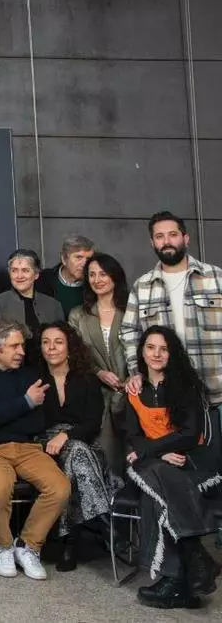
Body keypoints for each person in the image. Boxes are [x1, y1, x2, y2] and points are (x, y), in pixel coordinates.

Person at [0, 320, 71, 581]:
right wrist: (26, 402)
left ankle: (28, 546)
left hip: (28, 447)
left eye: (22, 345)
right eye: (14, 346)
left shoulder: (30, 375)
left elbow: (35, 423)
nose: (22, 352)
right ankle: (3, 546)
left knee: (60, 487)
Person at [125, 326, 220, 609]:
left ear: (172, 353)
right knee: (156, 477)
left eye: (163, 349)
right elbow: (133, 436)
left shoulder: (186, 386)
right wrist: (160, 454)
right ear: (142, 352)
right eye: (150, 347)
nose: (156, 354)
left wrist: (154, 451)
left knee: (155, 494)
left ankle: (175, 579)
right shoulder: (134, 391)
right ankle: (194, 560)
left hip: (192, 464)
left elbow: (190, 435)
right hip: (159, 465)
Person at [37, 322, 120, 572]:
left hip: (84, 442)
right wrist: (56, 437)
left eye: (58, 342)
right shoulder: (34, 378)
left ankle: (68, 540)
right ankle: (103, 519)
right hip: (43, 446)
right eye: (45, 342)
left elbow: (93, 423)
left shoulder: (86, 379)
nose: (51, 348)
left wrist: (66, 435)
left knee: (74, 455)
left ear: (70, 347)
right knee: (74, 455)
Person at [121, 210, 222, 409]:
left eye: (173, 235)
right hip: (167, 398)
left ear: (186, 238)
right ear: (152, 243)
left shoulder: (216, 278)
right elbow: (129, 332)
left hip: (217, 394)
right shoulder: (142, 286)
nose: (166, 241)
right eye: (159, 236)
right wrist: (136, 371)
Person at [68, 253, 129, 473]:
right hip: (97, 394)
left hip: (133, 391)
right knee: (106, 458)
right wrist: (99, 373)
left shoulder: (132, 310)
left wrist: (131, 378)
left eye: (103, 274)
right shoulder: (78, 315)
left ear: (115, 276)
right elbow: (75, 356)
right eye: (92, 274)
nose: (97, 279)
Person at [0, 249, 64, 364]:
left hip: (48, 367)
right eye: (14, 270)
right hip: (11, 368)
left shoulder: (53, 305)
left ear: (36, 274)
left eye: (25, 270)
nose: (19, 276)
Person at [36, 235, 95, 317]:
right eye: (79, 257)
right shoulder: (42, 279)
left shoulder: (95, 285)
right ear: (64, 259)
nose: (84, 264)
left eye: (88, 259)